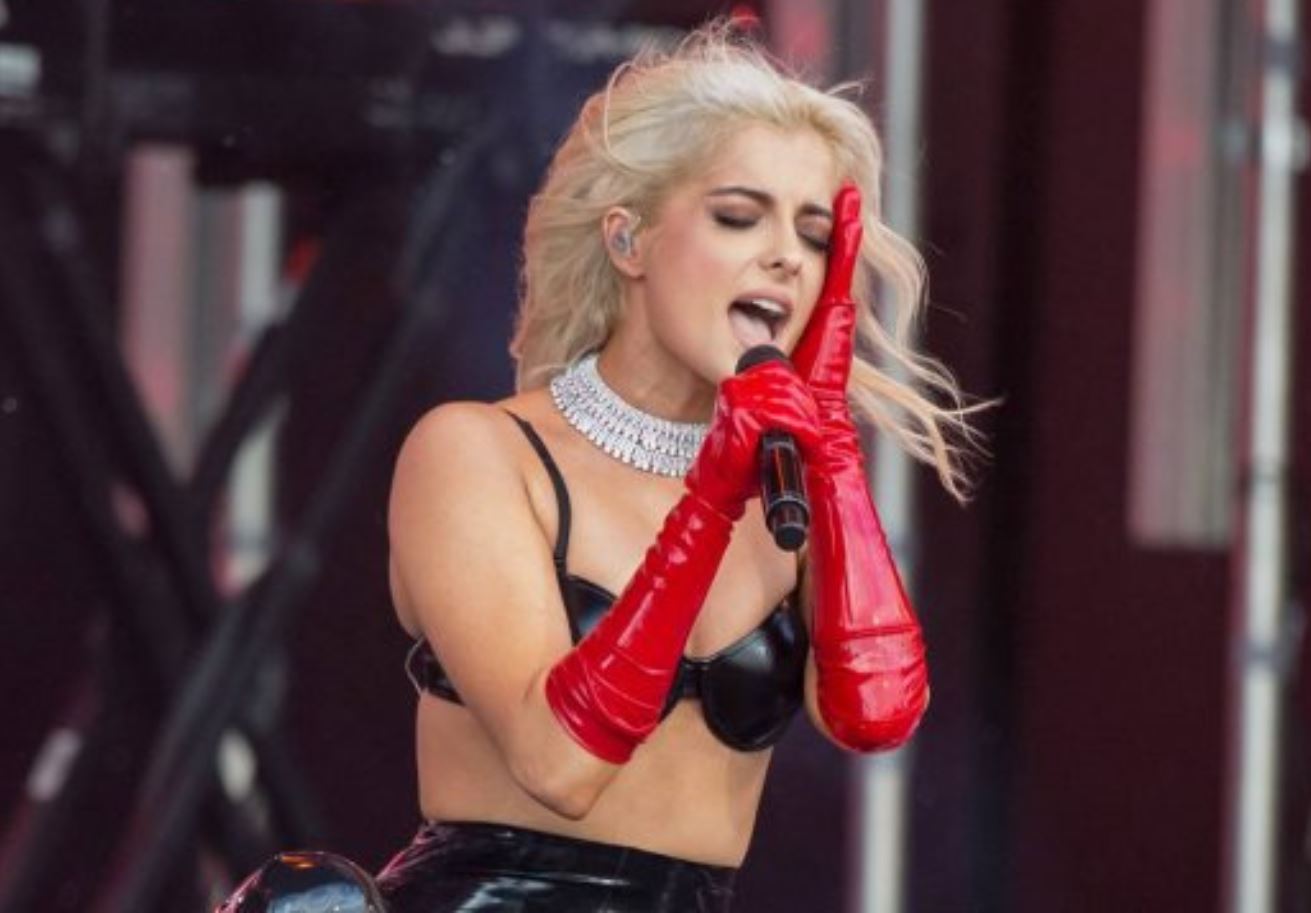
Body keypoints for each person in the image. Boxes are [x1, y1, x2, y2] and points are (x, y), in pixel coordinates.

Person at [376, 19, 976, 913]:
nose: (785, 255)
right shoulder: (478, 453)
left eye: (815, 235)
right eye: (737, 216)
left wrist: (833, 456)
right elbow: (559, 763)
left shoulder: (786, 491)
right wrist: (708, 500)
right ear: (627, 243)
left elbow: (874, 713)